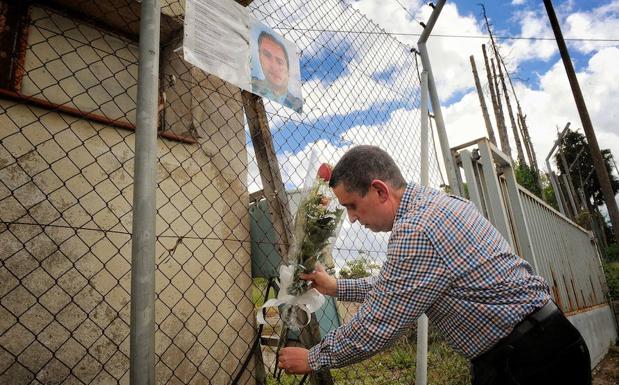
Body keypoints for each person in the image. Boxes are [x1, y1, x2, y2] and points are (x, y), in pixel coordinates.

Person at [278, 145, 591, 385]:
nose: (353, 219)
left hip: (530, 362)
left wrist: (314, 358)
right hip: (548, 344)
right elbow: (401, 284)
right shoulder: (438, 205)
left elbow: (378, 325)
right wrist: (338, 286)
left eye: (353, 206)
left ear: (379, 191)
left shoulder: (416, 231)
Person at [252, 31, 302, 112]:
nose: (273, 66)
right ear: (259, 57)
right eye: (267, 55)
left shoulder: (297, 104)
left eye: (279, 62)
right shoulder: (252, 84)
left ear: (288, 71)